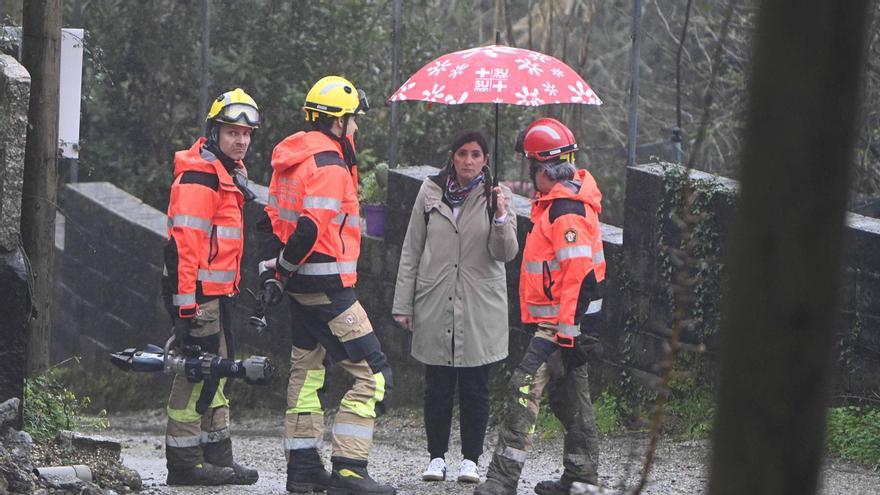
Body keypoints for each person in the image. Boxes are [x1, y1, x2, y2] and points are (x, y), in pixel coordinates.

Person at [256, 75, 396, 495]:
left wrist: (276, 272)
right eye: (353, 122)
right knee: (374, 376)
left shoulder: (292, 160)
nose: (356, 130)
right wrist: (282, 268)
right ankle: (350, 469)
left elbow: (269, 221)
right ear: (337, 122)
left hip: (300, 288)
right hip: (327, 286)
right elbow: (309, 229)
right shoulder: (331, 165)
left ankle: (302, 470)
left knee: (307, 373)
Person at [474, 118, 606, 495]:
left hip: (560, 326)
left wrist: (566, 332)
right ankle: (581, 477)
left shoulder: (565, 209)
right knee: (570, 399)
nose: (530, 175)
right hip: (567, 325)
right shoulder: (558, 203)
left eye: (531, 166)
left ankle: (502, 479)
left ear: (542, 169)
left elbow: (578, 274)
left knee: (522, 390)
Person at [392, 130, 518, 484]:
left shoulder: (499, 196)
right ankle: (436, 457)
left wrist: (502, 217)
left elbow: (506, 254)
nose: (468, 161)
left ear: (486, 160)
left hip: (479, 303)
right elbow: (411, 248)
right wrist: (404, 304)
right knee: (437, 383)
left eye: (476, 154)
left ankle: (470, 459)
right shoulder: (430, 191)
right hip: (436, 298)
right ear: (452, 156)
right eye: (462, 153)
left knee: (476, 383)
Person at [160, 88, 261, 486]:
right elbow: (186, 247)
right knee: (194, 374)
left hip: (217, 295)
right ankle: (184, 465)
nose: (241, 140)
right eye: (233, 132)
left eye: (247, 134)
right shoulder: (201, 175)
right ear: (215, 132)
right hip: (198, 297)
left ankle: (217, 455)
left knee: (218, 373)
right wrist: (185, 309)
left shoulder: (227, 174)